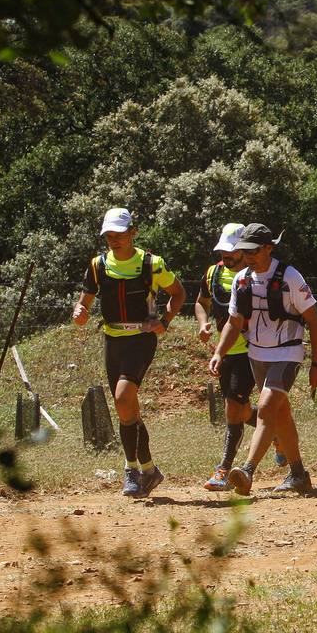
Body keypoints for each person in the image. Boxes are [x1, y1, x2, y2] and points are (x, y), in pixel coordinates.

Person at [73, 208, 185, 499]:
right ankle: (149, 470)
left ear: (133, 232)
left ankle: (130, 469)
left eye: (119, 234)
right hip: (113, 340)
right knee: (127, 409)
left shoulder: (152, 264)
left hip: (140, 339)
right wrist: (80, 311)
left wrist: (164, 322)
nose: (114, 240)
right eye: (109, 235)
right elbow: (84, 300)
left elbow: (178, 293)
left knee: (124, 397)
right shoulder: (98, 265)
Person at [210, 224, 317, 496]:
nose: (248, 256)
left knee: (265, 407)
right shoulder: (241, 280)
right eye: (245, 251)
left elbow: (314, 321)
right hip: (256, 354)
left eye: (254, 251)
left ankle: (247, 471)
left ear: (269, 248)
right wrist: (218, 352)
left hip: (287, 353)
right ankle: (299, 474)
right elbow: (234, 322)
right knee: (280, 413)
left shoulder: (291, 277)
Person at [194, 223, 257, 490]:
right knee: (240, 410)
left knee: (232, 408)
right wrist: (202, 323)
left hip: (250, 351)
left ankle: (223, 470)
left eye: (232, 252)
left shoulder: (256, 276)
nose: (227, 256)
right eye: (224, 251)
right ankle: (273, 431)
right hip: (224, 352)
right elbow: (201, 302)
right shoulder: (213, 273)